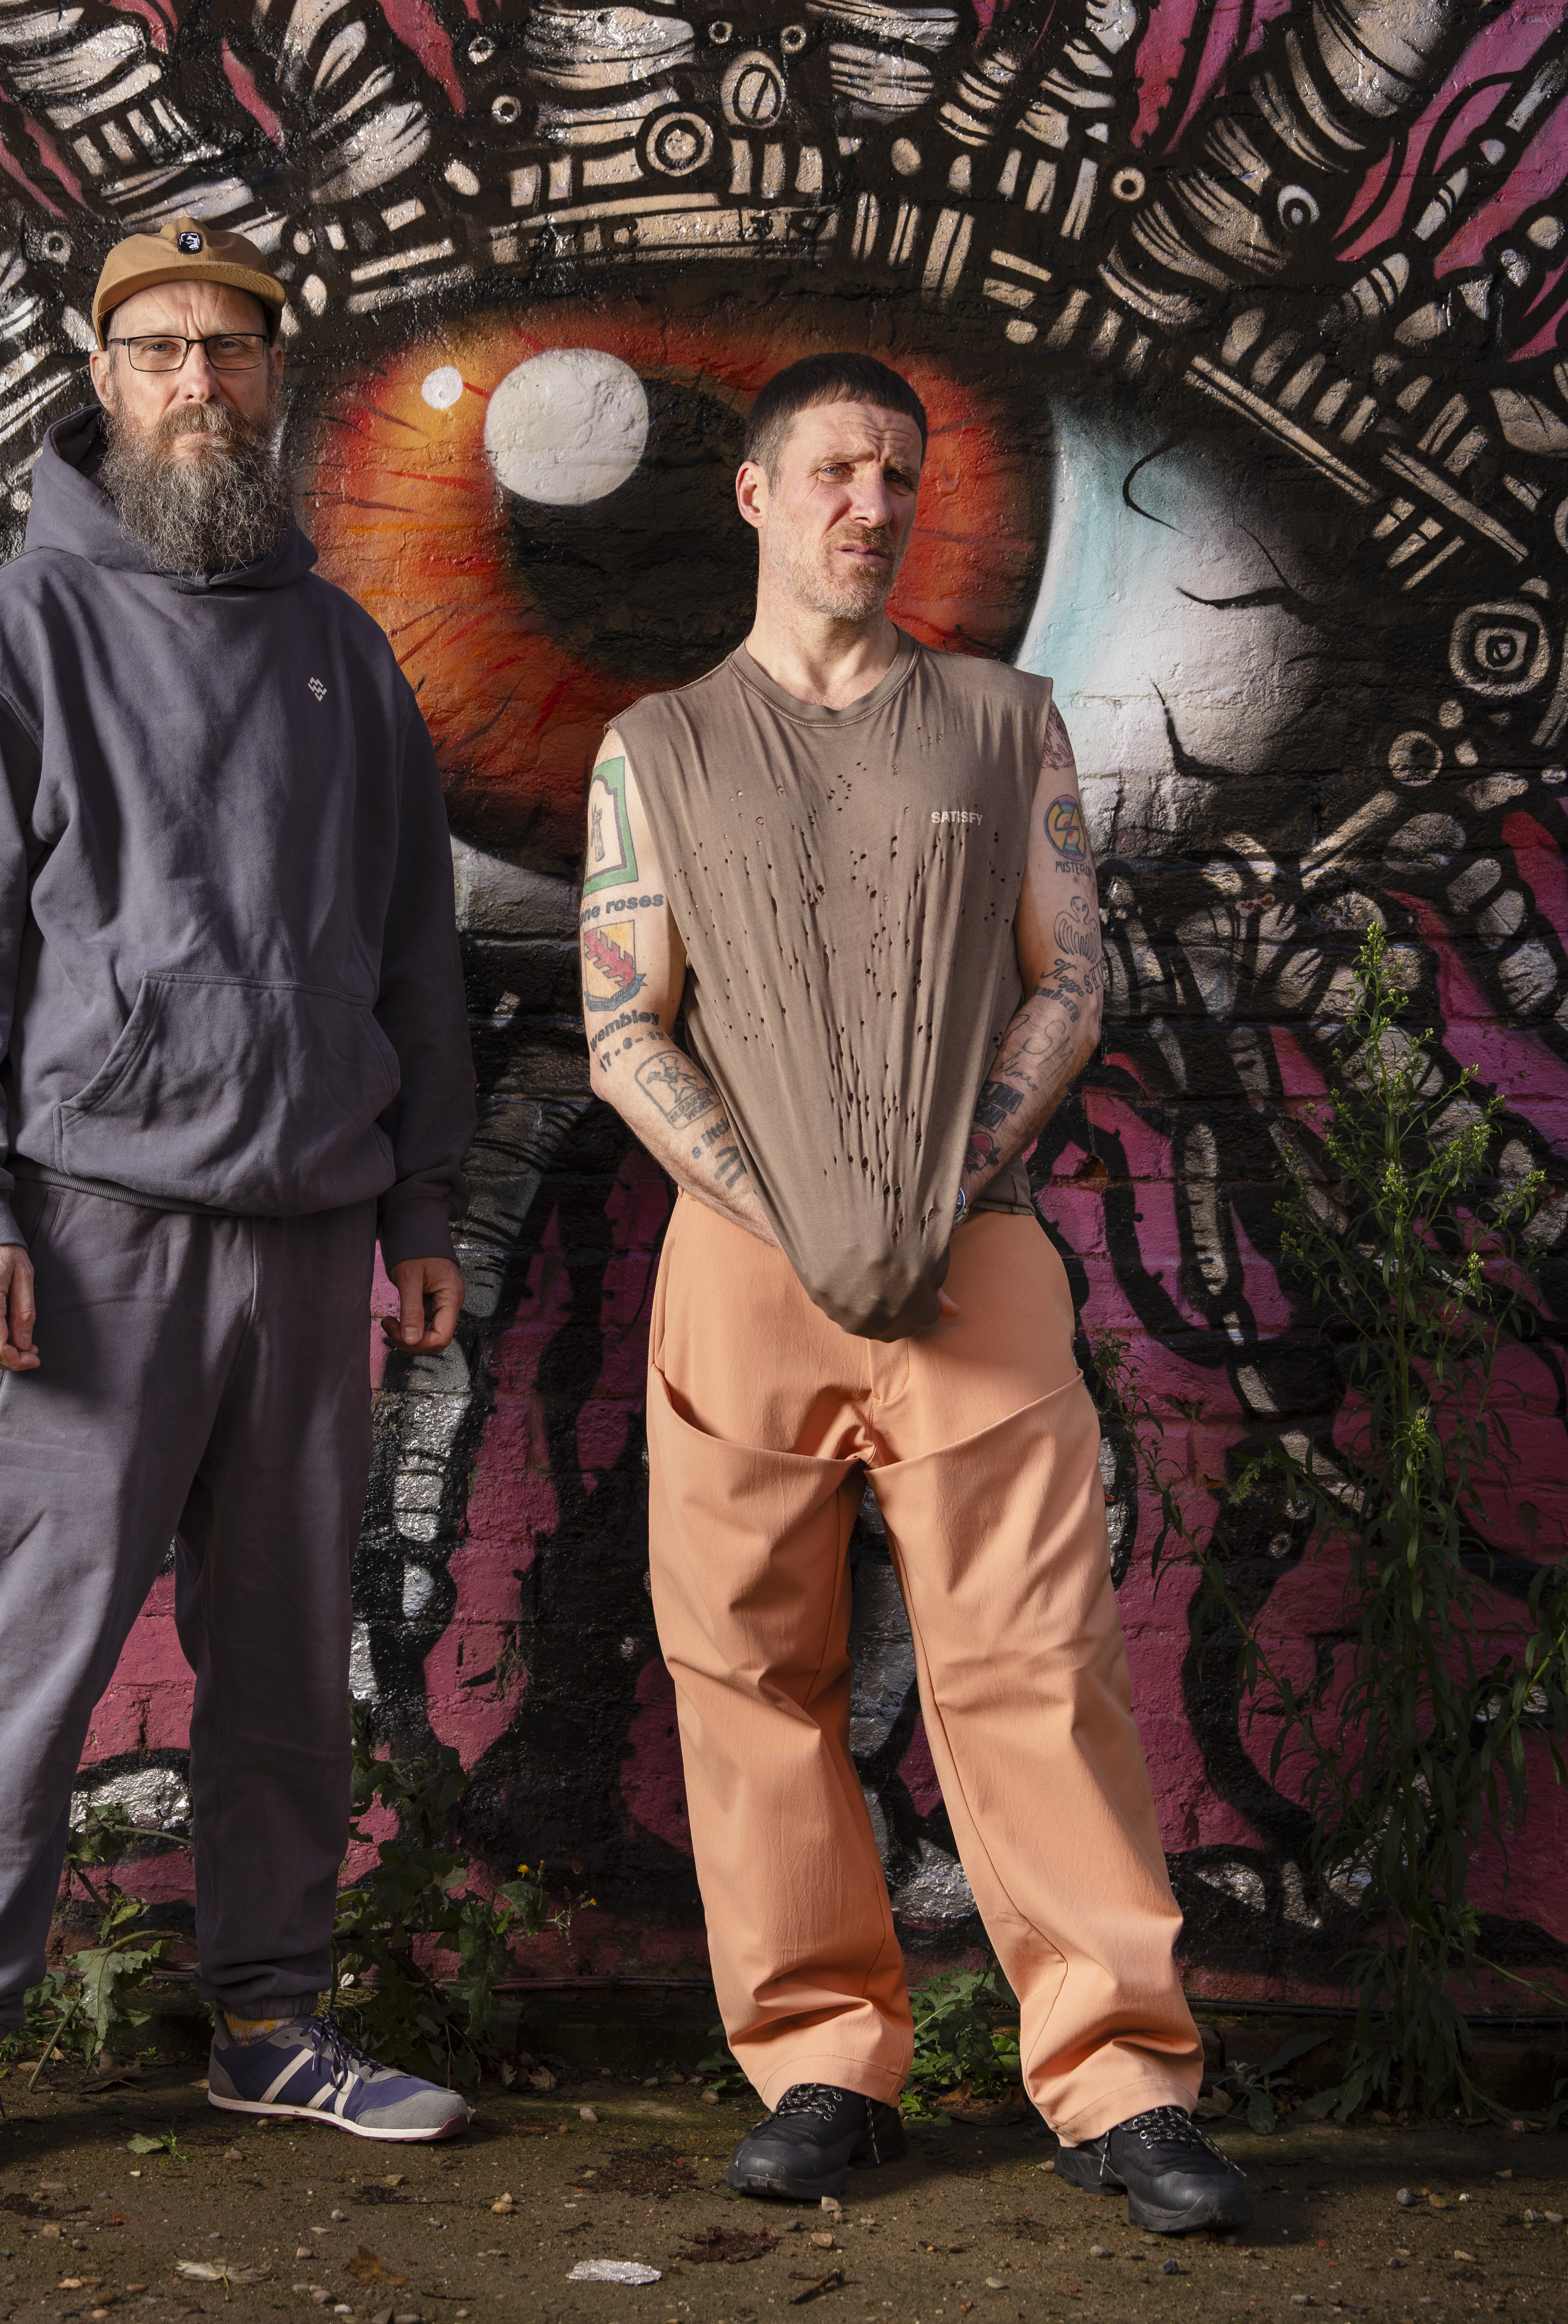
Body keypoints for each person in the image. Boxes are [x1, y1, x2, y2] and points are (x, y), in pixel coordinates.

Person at [580, 352, 1254, 2235]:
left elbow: (1074, 983)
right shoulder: (661, 745)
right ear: (756, 496)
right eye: (831, 471)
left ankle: (1121, 2077)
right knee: (751, 1674)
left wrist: (944, 1180)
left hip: (982, 1260)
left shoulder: (1000, 723)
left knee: (1033, 1667)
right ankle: (821, 2061)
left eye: (896, 473)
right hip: (742, 1271)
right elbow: (621, 1023)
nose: (867, 503)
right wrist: (787, 1210)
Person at [0, 216, 479, 2196]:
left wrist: (428, 1203)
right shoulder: (26, 625)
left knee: (293, 1658)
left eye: (228, 349)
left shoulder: (340, 649)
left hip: (311, 1230)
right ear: (100, 375)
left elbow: (410, 946)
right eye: (159, 350)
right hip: (88, 1233)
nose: (197, 381)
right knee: (30, 1652)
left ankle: (273, 2015)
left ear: (275, 378)